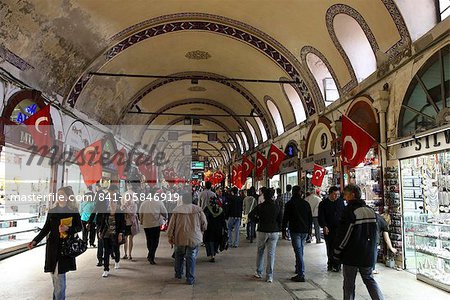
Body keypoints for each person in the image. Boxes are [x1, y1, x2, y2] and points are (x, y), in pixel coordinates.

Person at [28, 186, 82, 300]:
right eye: (58, 195)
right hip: (52, 248)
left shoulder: (73, 211)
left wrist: (68, 228)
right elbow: (45, 229)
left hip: (65, 248)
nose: (59, 197)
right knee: (55, 278)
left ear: (68, 197)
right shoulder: (52, 211)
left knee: (59, 279)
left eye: (62, 195)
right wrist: (35, 241)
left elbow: (79, 227)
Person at [333, 184, 384, 300]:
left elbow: (345, 234)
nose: (344, 197)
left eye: (346, 195)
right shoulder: (371, 211)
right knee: (369, 279)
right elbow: (379, 230)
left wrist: (337, 251)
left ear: (353, 195)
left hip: (352, 254)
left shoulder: (350, 211)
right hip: (368, 253)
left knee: (349, 284)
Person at [167, 192, 207, 285]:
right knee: (191, 257)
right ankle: (190, 278)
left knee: (179, 255)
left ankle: (178, 274)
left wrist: (170, 236)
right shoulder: (198, 210)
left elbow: (171, 225)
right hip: (194, 237)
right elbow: (204, 223)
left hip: (180, 237)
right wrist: (202, 230)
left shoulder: (177, 210)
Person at [249, 188, 282, 283]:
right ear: (273, 196)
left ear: (264, 196)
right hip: (274, 231)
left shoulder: (260, 206)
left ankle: (259, 272)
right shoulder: (277, 207)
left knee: (260, 251)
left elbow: (251, 215)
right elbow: (280, 219)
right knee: (271, 254)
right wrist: (278, 228)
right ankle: (269, 276)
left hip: (262, 230)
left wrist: (257, 221)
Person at [282, 185, 313, 282]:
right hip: (304, 230)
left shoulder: (289, 204)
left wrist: (283, 230)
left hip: (295, 230)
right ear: (301, 193)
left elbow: (285, 218)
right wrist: (310, 231)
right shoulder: (306, 204)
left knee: (298, 251)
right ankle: (298, 268)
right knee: (300, 249)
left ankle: (301, 274)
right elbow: (310, 218)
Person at [97, 185, 126, 278]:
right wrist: (100, 231)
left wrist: (121, 233)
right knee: (106, 251)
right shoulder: (106, 213)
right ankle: (106, 269)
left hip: (116, 233)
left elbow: (122, 224)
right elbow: (102, 223)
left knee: (116, 248)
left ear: (116, 204)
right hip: (106, 234)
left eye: (113, 202)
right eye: (110, 202)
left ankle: (117, 261)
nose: (111, 204)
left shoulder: (119, 214)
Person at [318, 186, 345, 272]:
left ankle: (337, 264)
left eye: (338, 194)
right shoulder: (323, 203)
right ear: (330, 194)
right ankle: (330, 263)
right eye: (334, 194)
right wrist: (324, 226)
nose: (336, 196)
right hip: (328, 229)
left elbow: (344, 214)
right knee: (330, 246)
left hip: (339, 229)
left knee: (338, 246)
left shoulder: (340, 202)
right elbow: (321, 216)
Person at [139, 190, 168, 264]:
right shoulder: (159, 202)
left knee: (149, 239)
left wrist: (141, 221)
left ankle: (150, 253)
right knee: (155, 241)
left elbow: (140, 214)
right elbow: (164, 213)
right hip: (156, 224)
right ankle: (151, 255)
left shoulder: (143, 203)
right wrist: (166, 218)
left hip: (146, 224)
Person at [88, 179, 109, 267]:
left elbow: (95, 208)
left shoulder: (100, 194)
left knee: (101, 240)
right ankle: (105, 257)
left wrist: (89, 221)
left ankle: (101, 259)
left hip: (101, 220)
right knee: (105, 240)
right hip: (107, 220)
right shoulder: (107, 194)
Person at [203, 197, 227, 262]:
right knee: (216, 241)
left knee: (209, 241)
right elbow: (223, 221)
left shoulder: (207, 209)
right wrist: (225, 228)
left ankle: (212, 255)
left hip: (209, 228)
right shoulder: (220, 210)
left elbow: (203, 218)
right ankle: (214, 252)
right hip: (218, 229)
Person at [121, 181, 139, 260]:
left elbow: (122, 209)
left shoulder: (124, 195)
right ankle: (128, 254)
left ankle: (127, 254)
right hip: (131, 221)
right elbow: (135, 209)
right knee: (129, 238)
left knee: (126, 238)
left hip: (126, 221)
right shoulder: (134, 197)